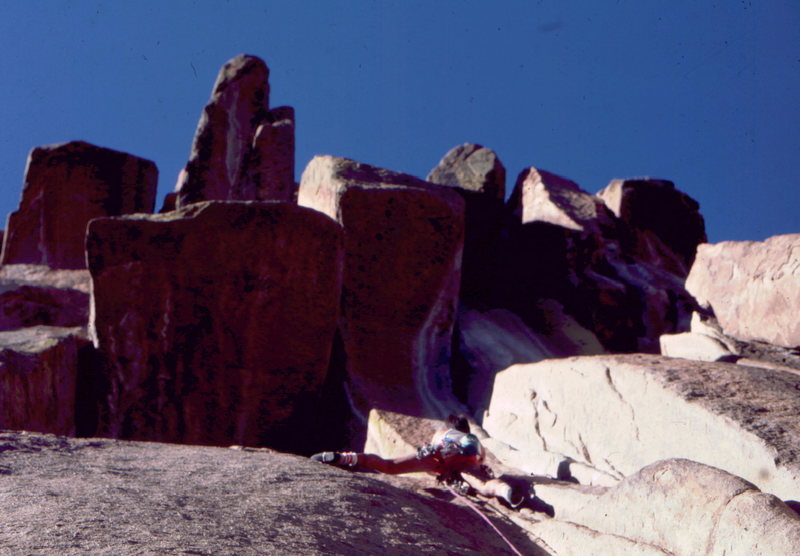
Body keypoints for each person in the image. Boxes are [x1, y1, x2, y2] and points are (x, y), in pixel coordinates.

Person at [310, 414, 524, 508]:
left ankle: (345, 457)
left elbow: (433, 452)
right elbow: (478, 459)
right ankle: (506, 491)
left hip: (437, 456)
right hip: (464, 458)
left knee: (389, 466)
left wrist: (444, 472)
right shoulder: (471, 439)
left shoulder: (442, 432)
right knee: (485, 486)